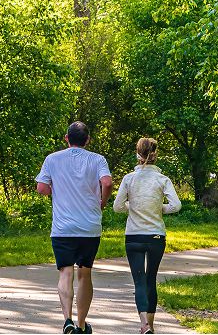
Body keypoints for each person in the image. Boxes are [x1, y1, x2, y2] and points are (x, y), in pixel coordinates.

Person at [36, 121, 113, 334]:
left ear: (66, 138)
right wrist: (102, 202)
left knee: (65, 272)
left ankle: (67, 320)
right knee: (85, 273)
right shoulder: (98, 159)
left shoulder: (52, 159)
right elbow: (107, 182)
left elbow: (41, 187)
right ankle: (81, 324)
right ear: (87, 140)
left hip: (62, 228)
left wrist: (56, 192)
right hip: (89, 226)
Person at [113, 137, 182, 334]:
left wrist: (133, 207)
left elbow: (117, 207)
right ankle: (150, 326)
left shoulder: (129, 179)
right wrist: (158, 208)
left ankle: (143, 323)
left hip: (134, 236)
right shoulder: (162, 180)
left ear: (138, 154)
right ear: (155, 155)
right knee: (151, 279)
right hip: (156, 237)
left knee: (139, 280)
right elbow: (176, 205)